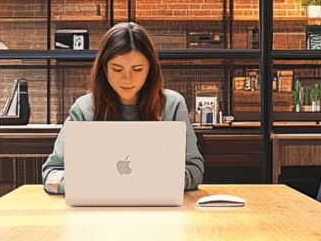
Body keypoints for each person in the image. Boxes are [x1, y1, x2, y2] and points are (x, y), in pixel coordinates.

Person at [42, 22, 204, 194]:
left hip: (158, 210)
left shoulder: (172, 106)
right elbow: (51, 174)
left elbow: (195, 170)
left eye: (137, 69)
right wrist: (88, 185)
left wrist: (151, 184)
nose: (127, 79)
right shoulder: (84, 109)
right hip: (95, 211)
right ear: (104, 68)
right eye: (117, 69)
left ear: (150, 68)